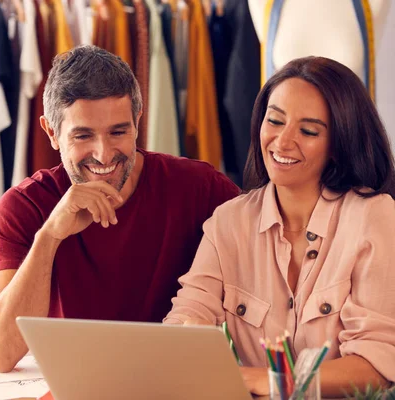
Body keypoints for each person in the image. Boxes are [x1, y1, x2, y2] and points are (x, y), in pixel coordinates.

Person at [0, 45, 240, 372]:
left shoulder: (200, 188)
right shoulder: (25, 206)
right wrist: (49, 237)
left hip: (175, 378)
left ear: (138, 122)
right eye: (83, 136)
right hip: (75, 386)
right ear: (51, 132)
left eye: (118, 132)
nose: (103, 155)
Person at [164, 56, 395, 397]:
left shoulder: (373, 218)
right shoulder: (228, 222)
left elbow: (377, 364)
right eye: (275, 121)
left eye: (308, 131)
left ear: (338, 144)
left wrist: (269, 381)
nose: (283, 142)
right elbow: (190, 310)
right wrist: (189, 333)